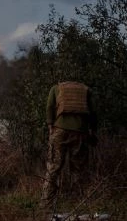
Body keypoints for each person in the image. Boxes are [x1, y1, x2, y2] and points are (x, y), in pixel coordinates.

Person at [40, 80, 97, 211]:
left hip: (59, 131)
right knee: (79, 170)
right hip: (80, 133)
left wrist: (50, 126)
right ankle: (80, 205)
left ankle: (45, 206)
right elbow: (93, 114)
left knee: (53, 168)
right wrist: (93, 131)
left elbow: (49, 107)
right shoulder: (87, 90)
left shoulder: (55, 88)